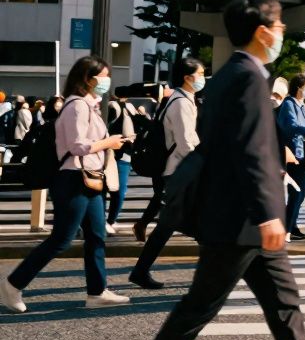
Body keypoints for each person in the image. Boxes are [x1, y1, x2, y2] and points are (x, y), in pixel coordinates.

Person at [123, 0, 305, 340]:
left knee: (283, 302)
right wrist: (269, 212)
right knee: (198, 308)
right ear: (260, 31)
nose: (283, 31)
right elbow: (248, 152)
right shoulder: (250, 77)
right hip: (241, 219)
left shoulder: (229, 75)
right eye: (280, 24)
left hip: (239, 216)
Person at [1, 56, 129, 314]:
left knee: (96, 236)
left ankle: (96, 292)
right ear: (88, 78)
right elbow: (77, 146)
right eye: (103, 76)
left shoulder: (88, 106)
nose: (106, 81)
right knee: (62, 238)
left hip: (88, 179)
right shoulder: (76, 106)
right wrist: (110, 143)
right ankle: (13, 283)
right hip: (72, 179)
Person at [129, 57, 204, 290]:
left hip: (176, 172)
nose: (203, 78)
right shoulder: (180, 103)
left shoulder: (182, 100)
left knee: (169, 225)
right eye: (200, 74)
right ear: (187, 77)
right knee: (201, 225)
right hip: (179, 172)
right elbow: (185, 144)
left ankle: (140, 271)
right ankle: (211, 276)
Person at [278, 74, 305, 241]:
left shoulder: (302, 106)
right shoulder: (289, 104)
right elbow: (291, 126)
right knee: (296, 192)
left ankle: (291, 225)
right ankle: (287, 227)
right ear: (299, 87)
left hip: (301, 152)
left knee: (299, 192)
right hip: (290, 153)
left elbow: (303, 127)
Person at [104, 87, 137, 235]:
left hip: (110, 152)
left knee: (105, 189)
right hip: (125, 153)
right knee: (119, 190)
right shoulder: (131, 108)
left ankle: (104, 221)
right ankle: (111, 220)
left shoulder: (112, 107)